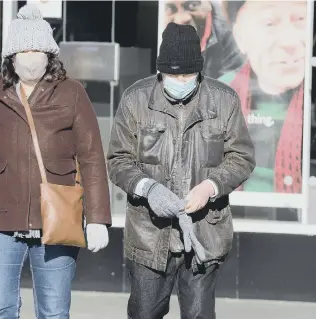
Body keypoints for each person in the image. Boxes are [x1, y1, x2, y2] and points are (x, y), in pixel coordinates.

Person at [0, 4, 112, 319]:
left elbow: (91, 157)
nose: (30, 56)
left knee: (54, 311)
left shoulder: (72, 93)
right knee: (0, 310)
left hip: (57, 217)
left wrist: (98, 216)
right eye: (23, 50)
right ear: (11, 56)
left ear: (50, 54)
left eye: (37, 49)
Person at [107, 22, 255, 319]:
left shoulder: (224, 101)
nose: (181, 80)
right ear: (160, 71)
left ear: (199, 71)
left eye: (188, 73)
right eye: (173, 74)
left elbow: (241, 157)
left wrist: (210, 187)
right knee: (144, 313)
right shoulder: (135, 100)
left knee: (199, 314)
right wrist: (147, 188)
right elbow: (117, 160)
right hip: (150, 236)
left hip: (204, 233)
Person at [219, 1, 306, 193]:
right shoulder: (220, 94)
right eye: (269, 23)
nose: (289, 42)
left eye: (300, 19)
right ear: (240, 37)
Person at [163, 0, 244, 79]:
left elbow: (235, 77)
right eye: (170, 10)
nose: (183, 19)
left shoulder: (230, 30)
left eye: (193, 5)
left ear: (208, 4)